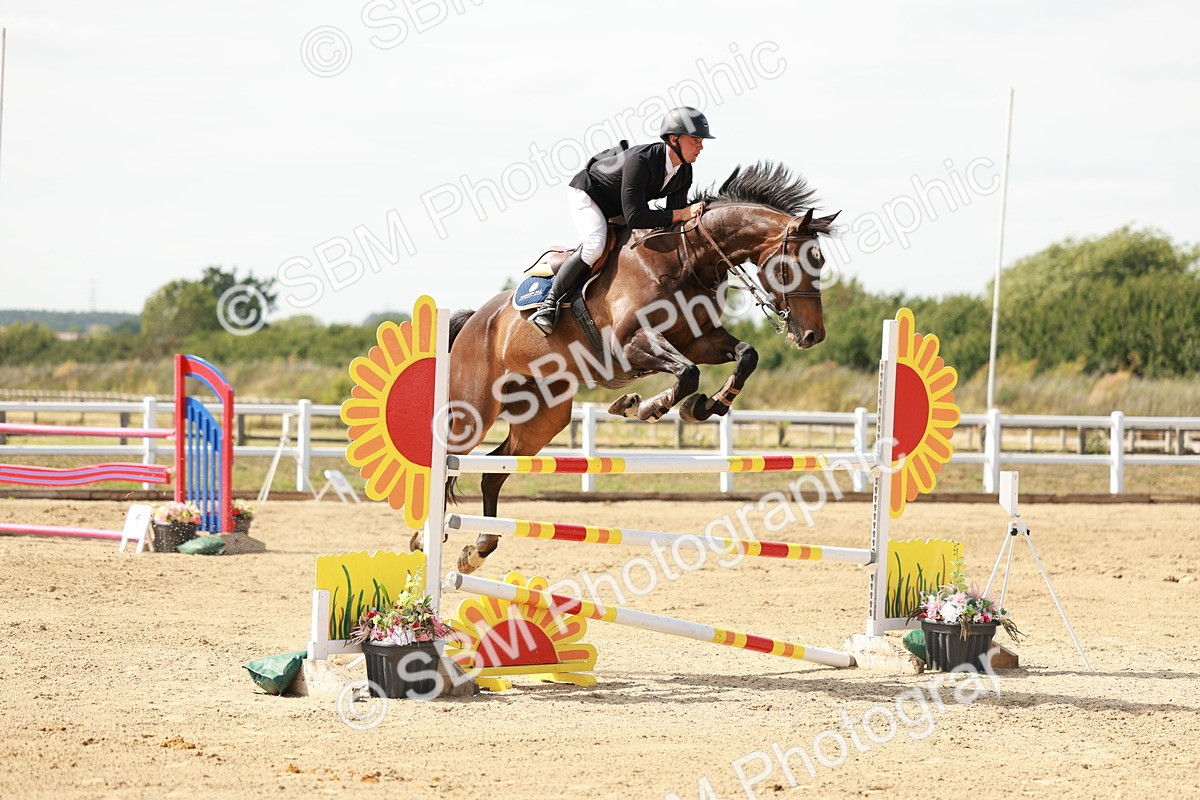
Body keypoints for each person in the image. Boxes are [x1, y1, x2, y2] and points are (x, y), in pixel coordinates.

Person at [527, 106, 714, 334]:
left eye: (702, 141)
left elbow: (671, 221)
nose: (701, 146)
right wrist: (683, 214)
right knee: (596, 244)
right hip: (590, 195)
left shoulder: (684, 171)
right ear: (674, 139)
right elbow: (636, 218)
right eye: (695, 140)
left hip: (621, 205)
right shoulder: (641, 161)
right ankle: (549, 305)